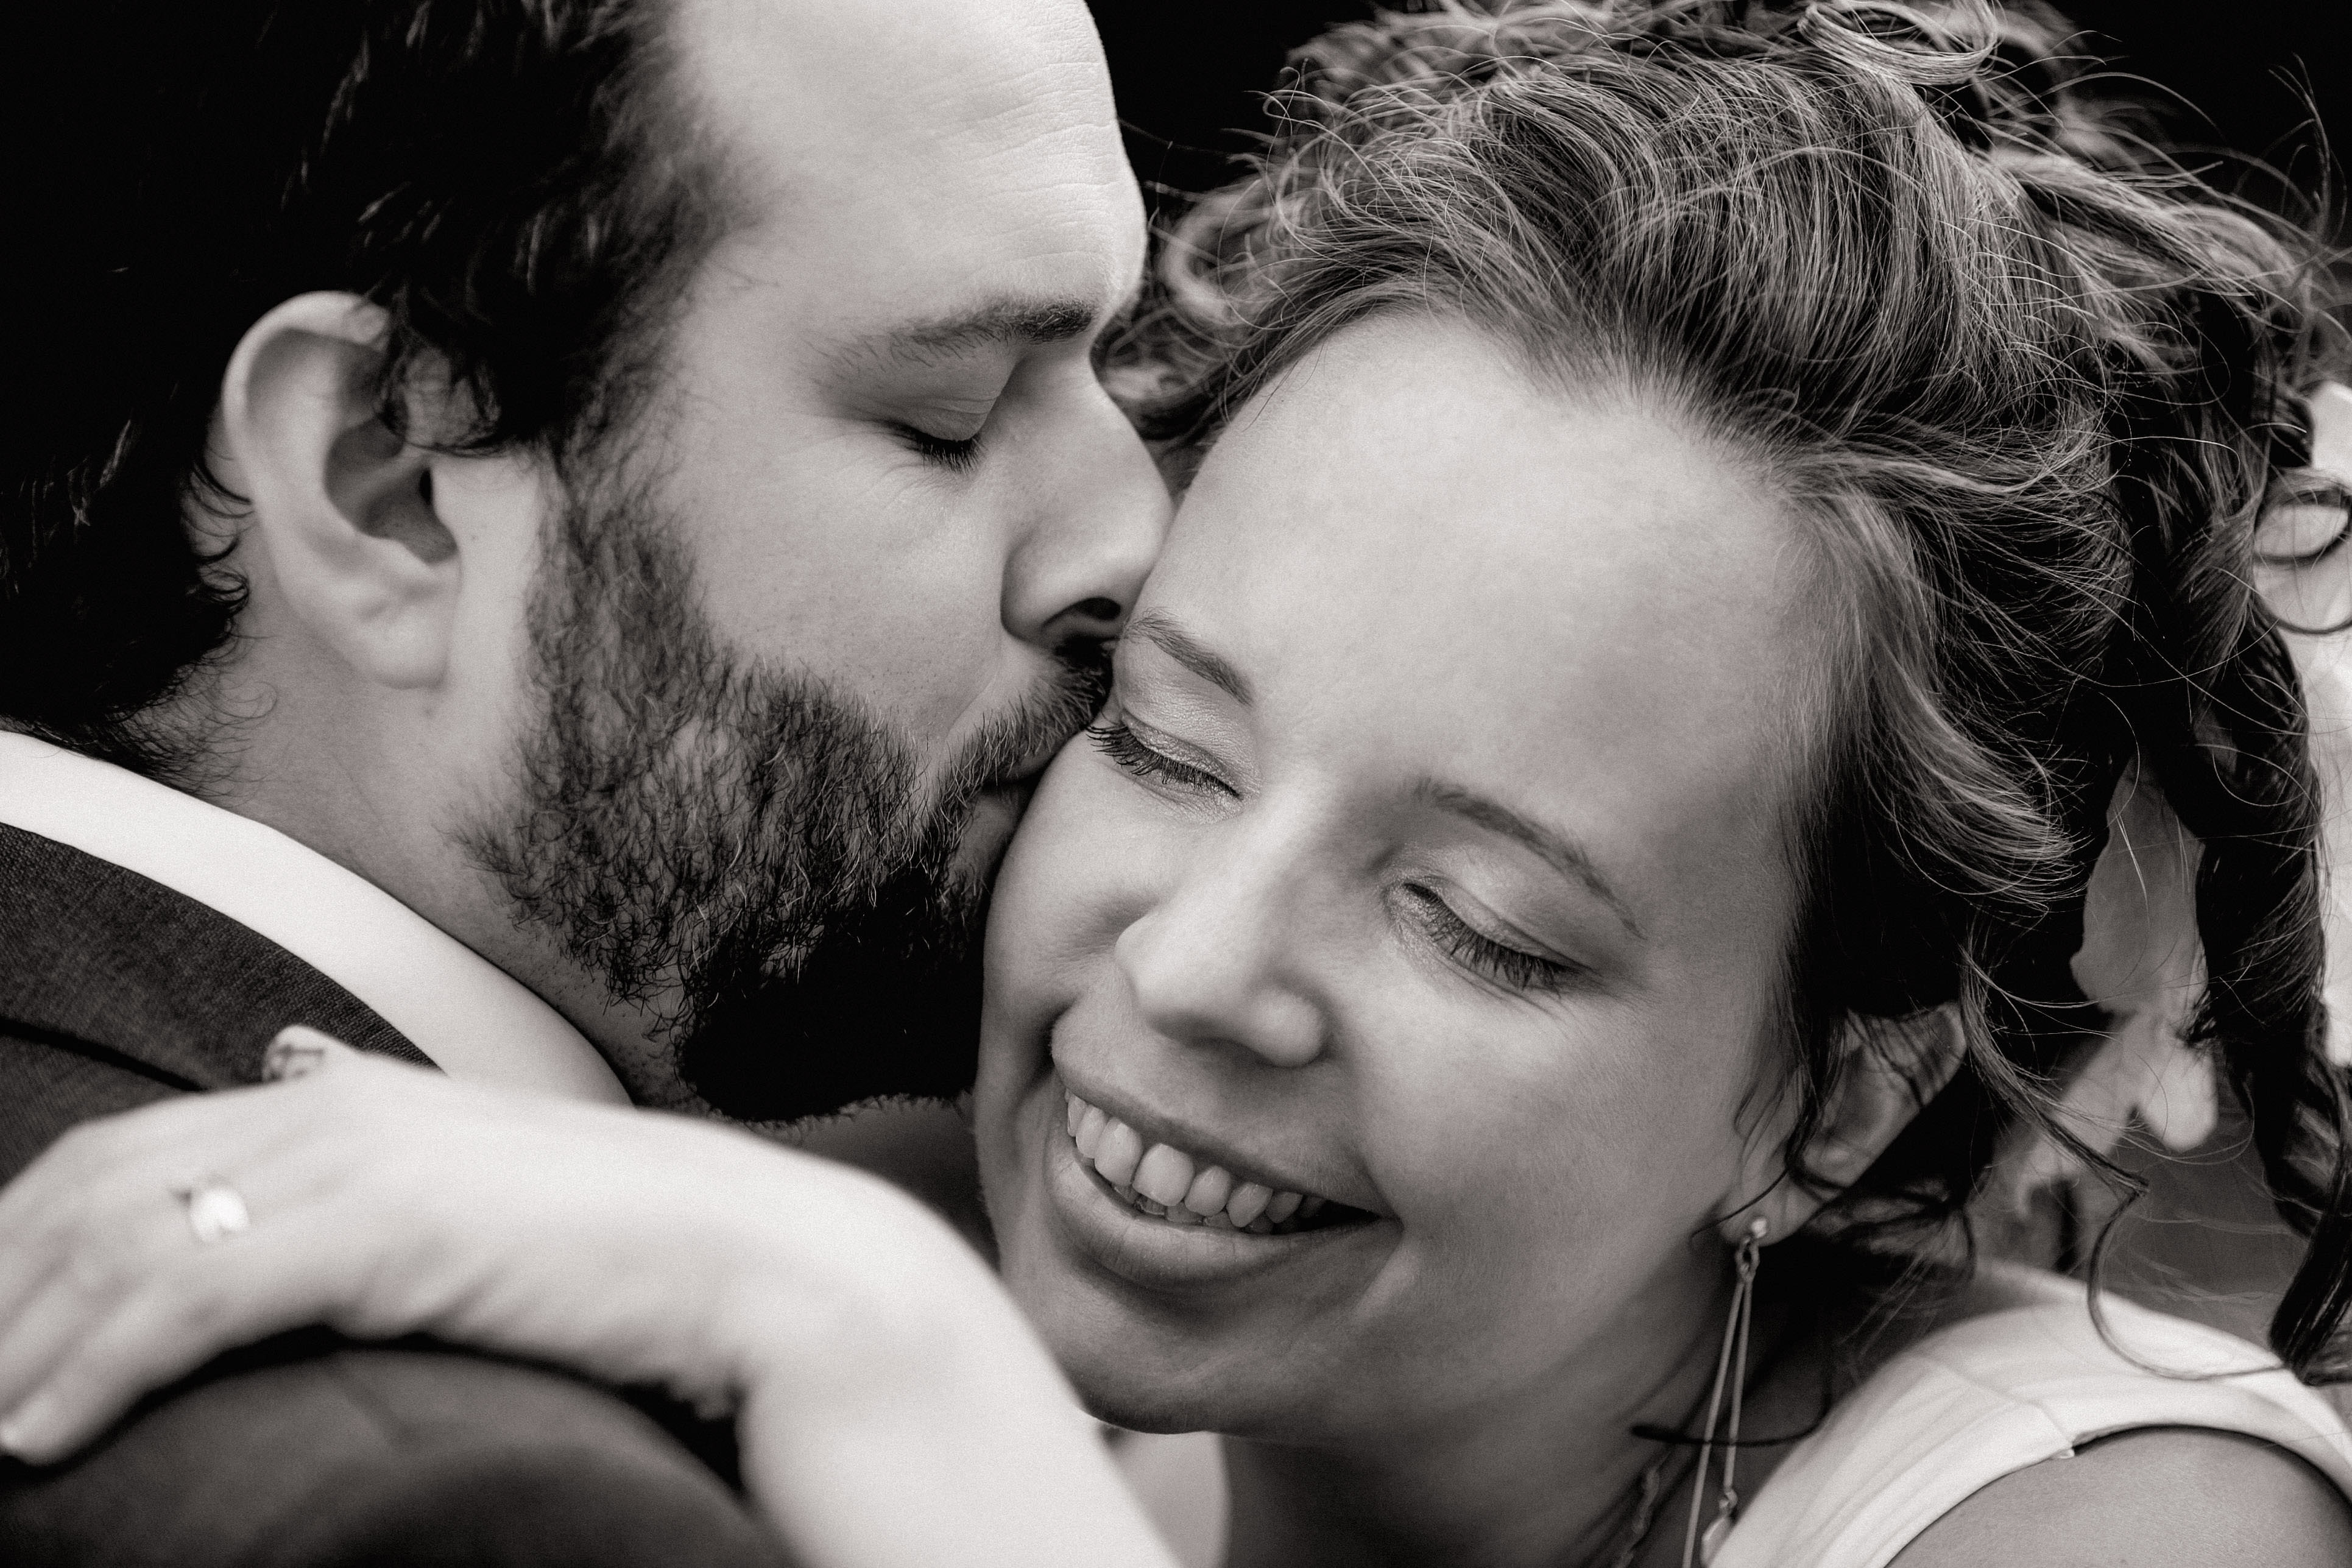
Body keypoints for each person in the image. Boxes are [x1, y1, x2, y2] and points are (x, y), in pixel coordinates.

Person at [9, 1, 2352, 1565]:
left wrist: (878, 1336)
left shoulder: (2127, 1531)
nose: (1193, 967)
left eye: (1479, 919)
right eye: (1158, 735)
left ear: (1834, 1100)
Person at [1, 0, 1170, 1561]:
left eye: (1114, 369)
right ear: (391, 484)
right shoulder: (474, 1510)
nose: (1131, 544)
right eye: (944, 420)